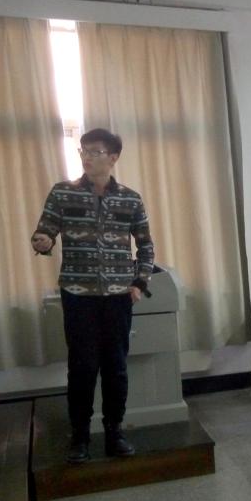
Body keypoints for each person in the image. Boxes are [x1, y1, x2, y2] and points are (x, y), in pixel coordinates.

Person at [31, 128, 155, 464]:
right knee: (82, 367)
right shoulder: (63, 193)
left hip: (118, 296)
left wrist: (139, 283)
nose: (86, 157)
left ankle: (115, 432)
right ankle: (80, 437)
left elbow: (146, 245)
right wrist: (43, 241)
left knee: (116, 367)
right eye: (83, 150)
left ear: (112, 158)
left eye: (94, 151)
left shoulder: (130, 199)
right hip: (78, 294)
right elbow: (45, 230)